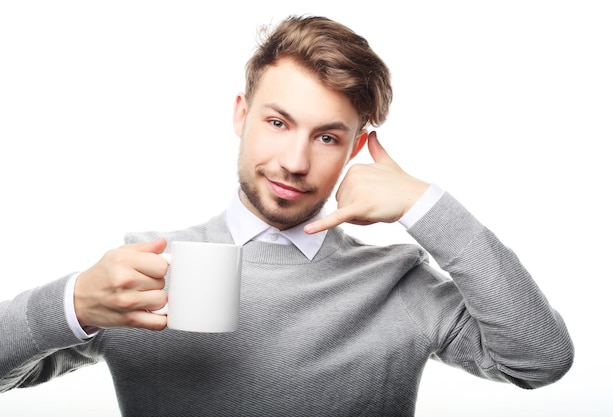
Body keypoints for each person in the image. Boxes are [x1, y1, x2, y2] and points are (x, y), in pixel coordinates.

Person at [0, 14, 573, 416]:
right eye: (278, 123)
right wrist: (73, 303)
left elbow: (541, 361)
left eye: (326, 137)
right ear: (241, 115)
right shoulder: (147, 270)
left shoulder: (397, 283)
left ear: (354, 150)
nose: (295, 162)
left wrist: (427, 207)